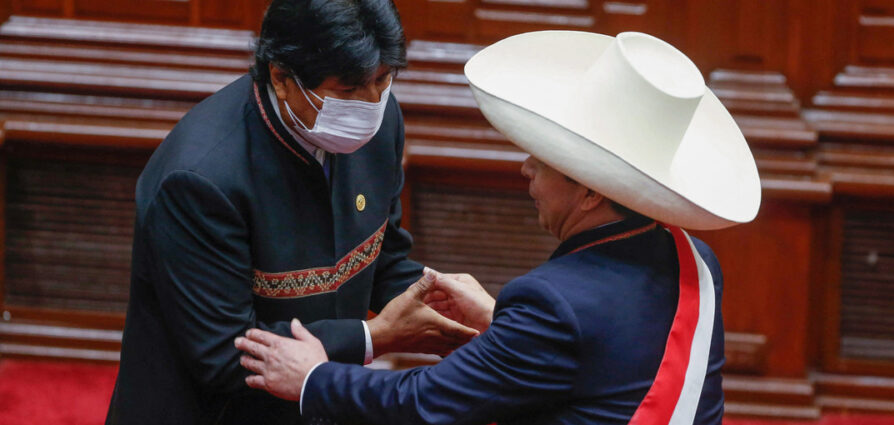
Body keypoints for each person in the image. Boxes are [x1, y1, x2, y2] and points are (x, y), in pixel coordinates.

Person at [234, 30, 762, 424]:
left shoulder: (554, 303)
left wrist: (313, 379)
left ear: (591, 191)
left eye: (543, 157)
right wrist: (501, 324)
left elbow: (427, 402)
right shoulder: (695, 258)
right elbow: (612, 364)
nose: (525, 167)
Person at [105, 1, 478, 424]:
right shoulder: (199, 179)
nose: (372, 104)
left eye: (383, 79)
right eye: (350, 90)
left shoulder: (378, 121)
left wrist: (444, 301)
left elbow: (382, 255)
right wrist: (373, 337)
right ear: (282, 78)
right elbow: (225, 357)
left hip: (317, 402)